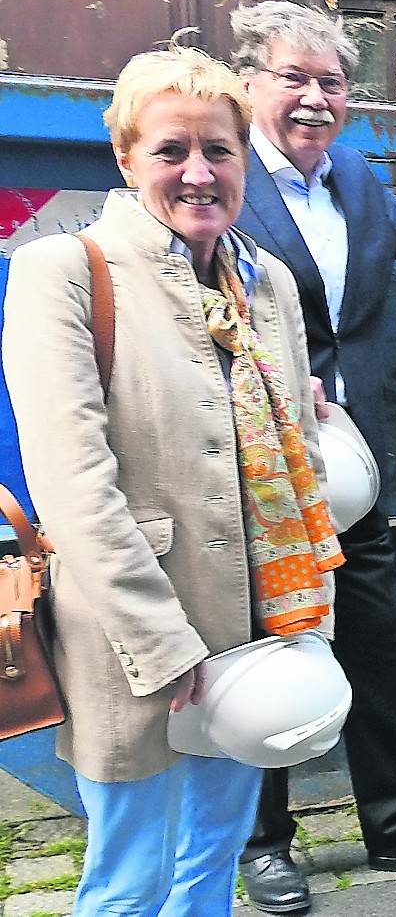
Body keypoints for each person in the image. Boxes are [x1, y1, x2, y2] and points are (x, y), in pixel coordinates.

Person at [2, 46, 341, 915]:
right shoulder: (66, 272)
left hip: (257, 626)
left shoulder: (265, 282)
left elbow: (295, 451)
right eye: (170, 151)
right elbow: (71, 482)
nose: (198, 173)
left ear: (242, 158)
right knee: (129, 877)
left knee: (213, 864)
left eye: (219, 150)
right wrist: (162, 644)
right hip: (135, 634)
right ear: (125, 158)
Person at [229, 0, 396, 912]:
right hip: (256, 467)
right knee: (268, 647)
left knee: (376, 638)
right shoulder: (224, 182)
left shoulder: (352, 177)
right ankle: (263, 841)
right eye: (292, 78)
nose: (313, 98)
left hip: (355, 464)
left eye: (331, 83)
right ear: (250, 84)